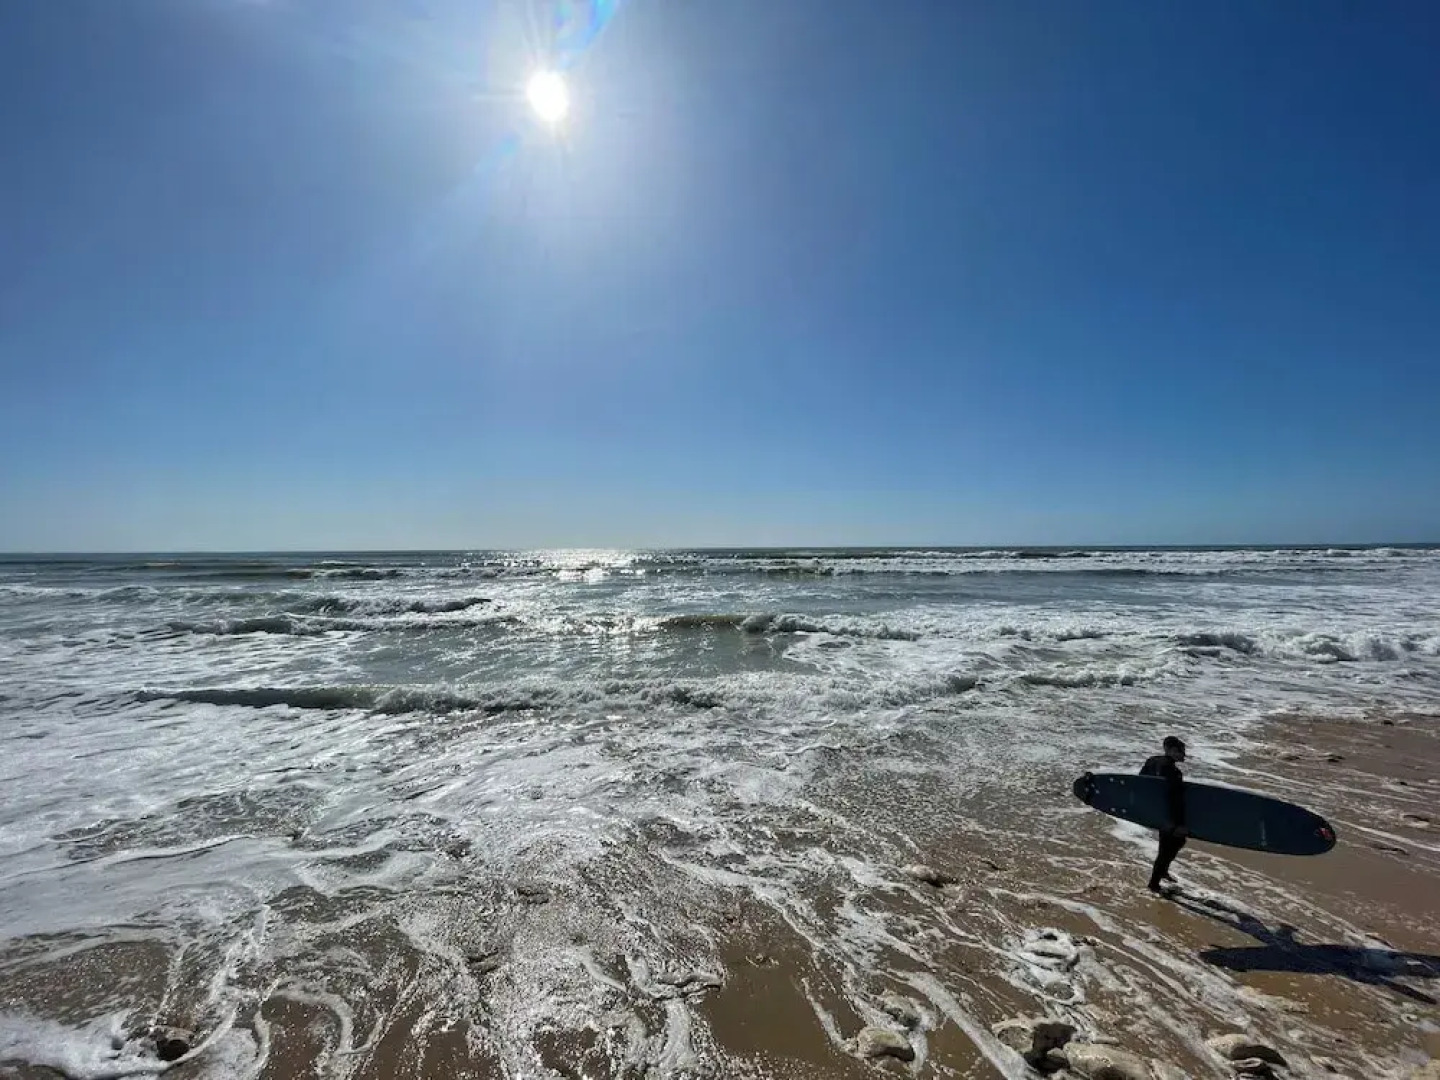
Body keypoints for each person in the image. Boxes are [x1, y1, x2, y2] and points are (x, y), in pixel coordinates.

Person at [1140, 735, 1188, 893]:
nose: (1184, 755)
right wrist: (1179, 824)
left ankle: (1163, 872)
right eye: (1182, 752)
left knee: (1170, 845)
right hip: (1169, 815)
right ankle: (1154, 884)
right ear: (1172, 751)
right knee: (1169, 847)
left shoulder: (1152, 761)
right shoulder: (1174, 772)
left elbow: (1141, 781)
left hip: (1156, 811)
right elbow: (1175, 799)